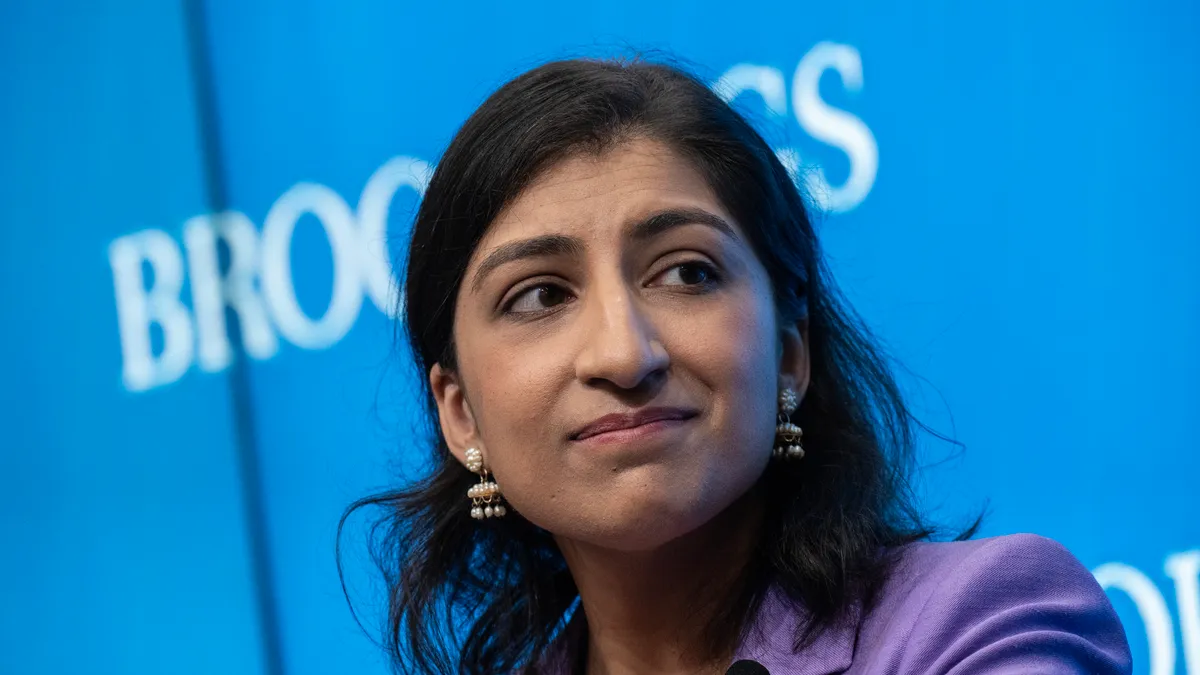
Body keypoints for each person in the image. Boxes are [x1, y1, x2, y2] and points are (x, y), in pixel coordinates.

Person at [343, 58, 1132, 675]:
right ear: (460, 414)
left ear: (790, 353)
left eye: (687, 273)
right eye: (540, 294)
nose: (625, 353)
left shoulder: (984, 621)